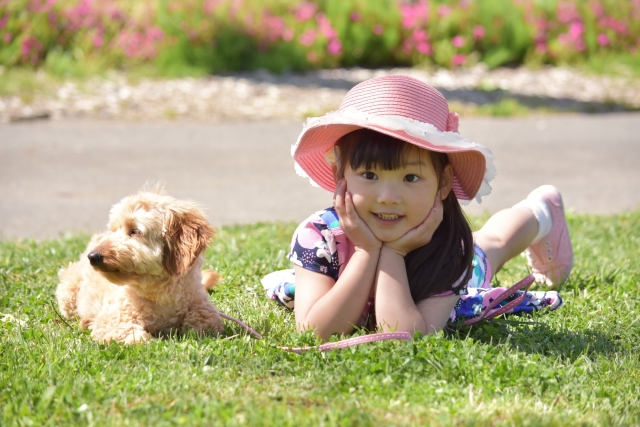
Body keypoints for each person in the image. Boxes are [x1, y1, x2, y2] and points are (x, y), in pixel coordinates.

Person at [262, 75, 572, 341]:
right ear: (339, 173)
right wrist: (367, 251)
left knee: (492, 244)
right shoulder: (318, 236)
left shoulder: (449, 245)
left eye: (410, 177)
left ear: (443, 182)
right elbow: (316, 331)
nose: (388, 197)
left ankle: (542, 210)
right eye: (369, 175)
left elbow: (405, 334)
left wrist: (393, 254)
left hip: (437, 245)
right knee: (489, 242)